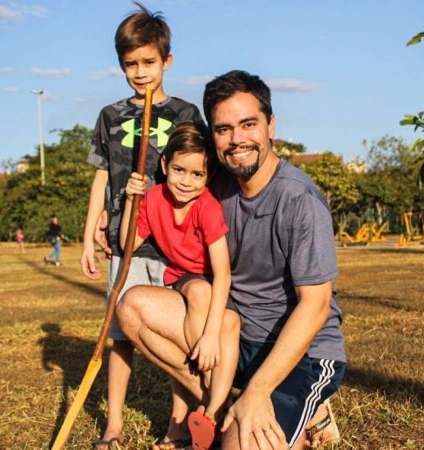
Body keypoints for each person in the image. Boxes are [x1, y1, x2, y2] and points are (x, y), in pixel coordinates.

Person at [117, 70, 347, 450]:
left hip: (300, 353)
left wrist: (257, 390)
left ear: (271, 125)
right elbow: (163, 197)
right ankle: (221, 411)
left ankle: (302, 408)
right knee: (133, 307)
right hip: (236, 336)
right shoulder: (214, 183)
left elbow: (317, 306)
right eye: (224, 129)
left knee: (241, 446)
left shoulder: (298, 201)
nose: (237, 139)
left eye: (248, 124)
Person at [79, 3, 204, 449]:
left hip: (174, 243)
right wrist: (90, 233)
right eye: (130, 64)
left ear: (166, 61)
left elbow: (198, 174)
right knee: (121, 338)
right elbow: (100, 176)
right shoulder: (110, 116)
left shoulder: (186, 112)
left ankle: (178, 425)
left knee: (178, 334)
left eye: (148, 62)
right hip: (124, 242)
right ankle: (114, 426)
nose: (140, 72)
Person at [120, 121, 239, 440]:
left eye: (197, 174)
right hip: (183, 280)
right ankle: (215, 398)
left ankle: (211, 410)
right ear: (164, 165)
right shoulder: (154, 198)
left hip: (215, 283)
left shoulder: (207, 207)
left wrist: (211, 334)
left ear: (208, 176)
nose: (186, 181)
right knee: (197, 291)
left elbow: (223, 273)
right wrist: (133, 200)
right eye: (179, 170)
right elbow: (126, 244)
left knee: (223, 319)